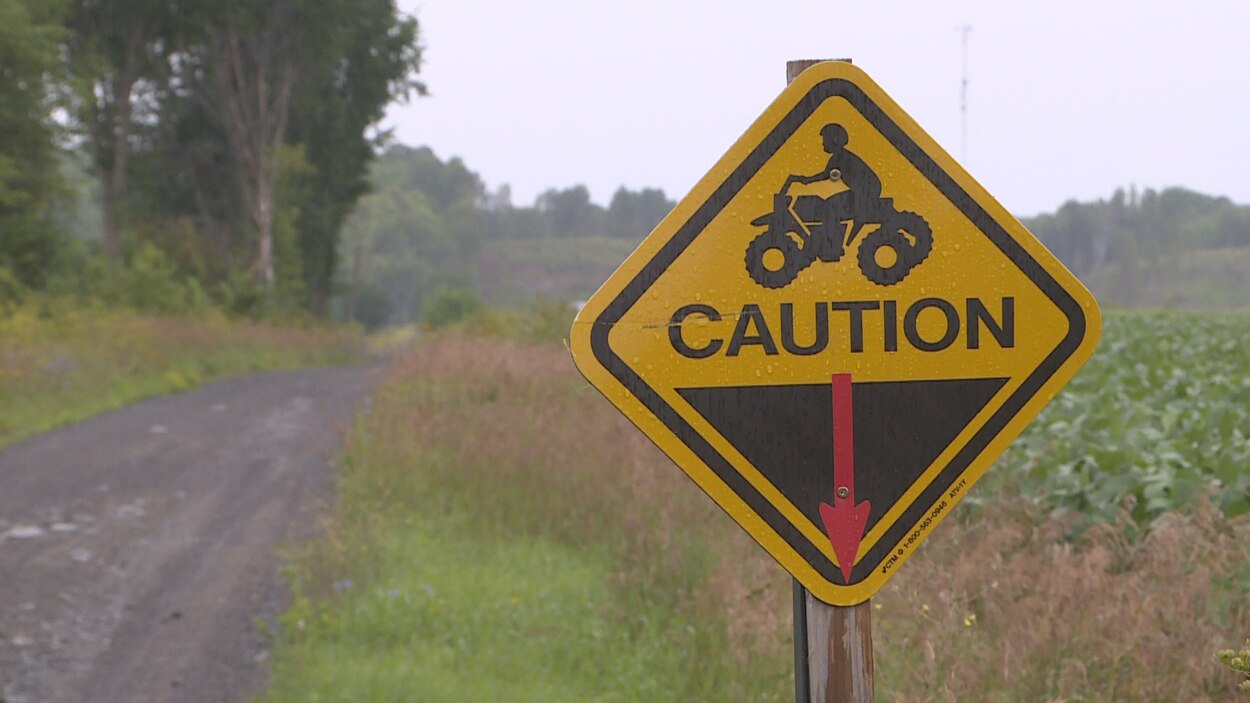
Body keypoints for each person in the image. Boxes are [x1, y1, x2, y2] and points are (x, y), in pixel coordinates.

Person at [782, 123, 884, 259]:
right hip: (862, 192)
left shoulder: (842, 157)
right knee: (829, 204)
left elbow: (824, 175)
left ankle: (832, 247)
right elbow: (826, 174)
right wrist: (804, 180)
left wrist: (803, 180)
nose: (823, 143)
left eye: (825, 139)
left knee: (830, 207)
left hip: (865, 194)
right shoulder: (840, 156)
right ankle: (831, 243)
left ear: (834, 139)